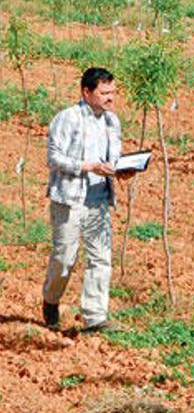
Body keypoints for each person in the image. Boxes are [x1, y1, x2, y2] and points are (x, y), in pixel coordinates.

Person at [41, 67, 135, 332]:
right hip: (69, 199)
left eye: (113, 92)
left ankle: (95, 317)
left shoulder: (111, 121)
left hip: (98, 200)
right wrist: (88, 166)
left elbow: (113, 158)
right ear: (86, 92)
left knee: (100, 259)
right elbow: (54, 158)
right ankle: (51, 300)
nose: (110, 98)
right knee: (64, 259)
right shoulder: (67, 118)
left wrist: (120, 170)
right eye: (104, 93)